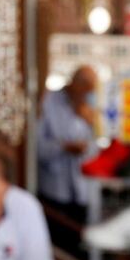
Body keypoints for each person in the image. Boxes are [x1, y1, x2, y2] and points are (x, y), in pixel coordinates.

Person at [37, 65, 98, 222]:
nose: (86, 93)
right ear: (72, 83)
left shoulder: (93, 106)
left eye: (90, 89)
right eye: (83, 87)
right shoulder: (49, 101)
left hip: (84, 191)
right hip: (54, 189)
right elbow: (36, 147)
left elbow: (99, 148)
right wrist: (63, 147)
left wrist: (92, 123)